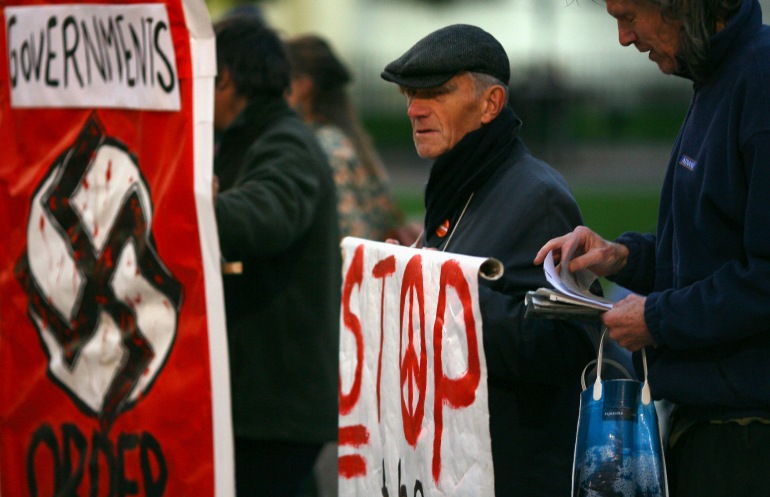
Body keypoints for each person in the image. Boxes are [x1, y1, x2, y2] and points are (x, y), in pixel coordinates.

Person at [534, 1, 770, 495]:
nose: (623, 37)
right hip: (714, 420)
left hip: (747, 435)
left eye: (628, 14)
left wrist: (657, 319)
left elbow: (763, 277)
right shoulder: (720, 75)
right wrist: (624, 257)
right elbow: (716, 251)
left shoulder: (758, 80)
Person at [381, 24, 599, 497]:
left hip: (514, 473)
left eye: (435, 93)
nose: (415, 109)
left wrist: (441, 292)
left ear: (490, 104)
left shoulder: (536, 196)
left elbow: (568, 347)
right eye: (410, 94)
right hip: (453, 471)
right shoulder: (460, 181)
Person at [212, 15, 340, 497]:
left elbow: (265, 216)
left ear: (223, 77)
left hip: (274, 403)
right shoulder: (253, 137)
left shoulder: (283, 140)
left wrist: (191, 204)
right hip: (269, 401)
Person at [285, 34, 420, 246]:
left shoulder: (324, 146)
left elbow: (351, 237)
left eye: (283, 79)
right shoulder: (346, 137)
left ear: (303, 85)